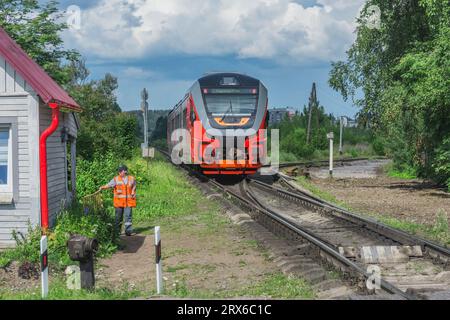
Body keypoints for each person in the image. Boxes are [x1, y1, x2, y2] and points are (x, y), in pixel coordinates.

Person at [100, 165, 136, 236]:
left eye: (121, 171)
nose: (119, 172)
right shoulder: (116, 179)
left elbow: (134, 185)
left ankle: (128, 232)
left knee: (128, 217)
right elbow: (109, 185)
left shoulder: (132, 178)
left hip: (128, 202)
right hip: (119, 203)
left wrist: (133, 191)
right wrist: (102, 187)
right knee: (118, 218)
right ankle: (117, 232)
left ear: (125, 171)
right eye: (119, 171)